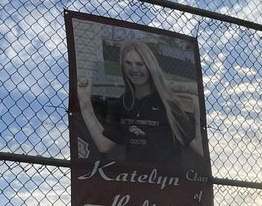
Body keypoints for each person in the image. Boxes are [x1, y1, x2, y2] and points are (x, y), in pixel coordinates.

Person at [75, 39, 203, 166]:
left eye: (140, 64)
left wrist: (198, 109)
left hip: (168, 182)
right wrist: (85, 103)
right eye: (128, 63)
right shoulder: (123, 102)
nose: (134, 69)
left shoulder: (168, 103)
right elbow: (104, 145)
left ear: (149, 66)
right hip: (137, 180)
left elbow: (200, 149)